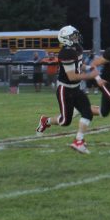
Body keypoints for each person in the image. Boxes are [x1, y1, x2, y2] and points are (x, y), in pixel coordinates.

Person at [35, 25, 101, 154]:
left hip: (76, 88)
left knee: (87, 113)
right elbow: (71, 76)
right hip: (65, 90)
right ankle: (45, 120)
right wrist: (90, 76)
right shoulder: (65, 53)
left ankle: (79, 141)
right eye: (73, 36)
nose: (76, 38)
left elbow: (79, 65)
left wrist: (89, 67)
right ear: (66, 39)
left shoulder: (77, 48)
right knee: (65, 121)